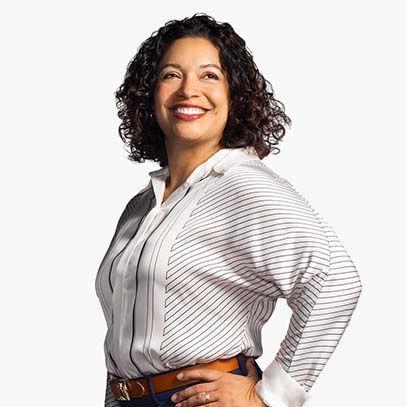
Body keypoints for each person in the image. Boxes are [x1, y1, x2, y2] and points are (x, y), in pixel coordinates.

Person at [95, 13, 362, 407]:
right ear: (149, 94)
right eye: (171, 75)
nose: (189, 90)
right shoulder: (141, 206)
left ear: (234, 95)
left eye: (209, 76)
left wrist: (268, 397)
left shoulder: (244, 185)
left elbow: (334, 278)